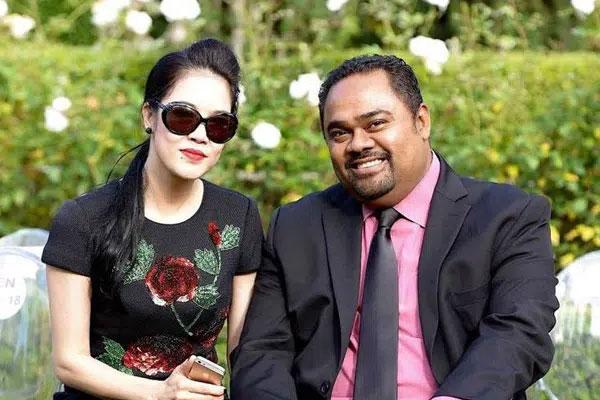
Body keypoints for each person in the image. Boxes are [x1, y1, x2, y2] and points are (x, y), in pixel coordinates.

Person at [230, 55, 559, 400]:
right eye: (339, 133)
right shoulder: (297, 226)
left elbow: (519, 333)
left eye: (375, 124)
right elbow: (262, 352)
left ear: (421, 121)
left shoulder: (506, 217)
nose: (358, 144)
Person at [43, 38, 262, 400]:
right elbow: (69, 361)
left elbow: (244, 352)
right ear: (149, 115)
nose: (200, 135)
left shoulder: (238, 216)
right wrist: (160, 394)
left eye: (219, 125)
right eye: (183, 116)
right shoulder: (83, 218)